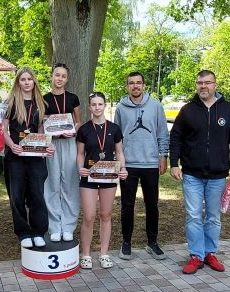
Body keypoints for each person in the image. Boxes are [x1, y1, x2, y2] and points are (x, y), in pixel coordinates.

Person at [169, 70, 230, 275]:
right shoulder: (187, 110)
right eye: (200, 83)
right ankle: (196, 256)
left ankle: (210, 253)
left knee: (213, 217)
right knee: (193, 216)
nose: (203, 86)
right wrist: (174, 163)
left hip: (217, 176)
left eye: (207, 82)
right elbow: (176, 137)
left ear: (215, 85)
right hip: (191, 175)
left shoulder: (228, 110)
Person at [113, 71, 169, 261]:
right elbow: (117, 137)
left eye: (138, 83)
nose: (135, 86)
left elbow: (163, 132)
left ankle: (152, 242)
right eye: (131, 83)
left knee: (152, 205)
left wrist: (163, 156)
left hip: (150, 163)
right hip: (128, 164)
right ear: (127, 86)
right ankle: (126, 242)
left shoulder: (156, 106)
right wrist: (119, 162)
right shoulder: (120, 108)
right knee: (127, 205)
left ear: (144, 86)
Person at [3, 67, 54, 247]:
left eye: (29, 79)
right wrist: (12, 145)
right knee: (16, 196)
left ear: (34, 81)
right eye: (23, 79)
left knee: (37, 194)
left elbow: (42, 130)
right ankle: (23, 232)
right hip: (15, 156)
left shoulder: (41, 103)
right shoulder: (9, 102)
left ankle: (38, 231)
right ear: (18, 82)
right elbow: (2, 129)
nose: (26, 82)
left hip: (35, 157)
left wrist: (47, 146)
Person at [76, 92, 126, 269]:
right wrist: (80, 168)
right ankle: (86, 254)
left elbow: (119, 152)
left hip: (109, 176)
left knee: (105, 215)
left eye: (100, 104)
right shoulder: (84, 129)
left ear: (105, 106)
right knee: (89, 216)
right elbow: (80, 153)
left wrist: (123, 168)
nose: (97, 107)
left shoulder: (114, 128)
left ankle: (104, 254)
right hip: (88, 177)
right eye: (94, 104)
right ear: (89, 107)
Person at [42, 63, 81, 242]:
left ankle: (68, 226)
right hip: (52, 144)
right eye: (57, 75)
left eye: (63, 76)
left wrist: (72, 131)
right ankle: (54, 226)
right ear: (52, 76)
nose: (60, 79)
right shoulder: (44, 99)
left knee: (70, 184)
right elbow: (42, 123)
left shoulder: (73, 98)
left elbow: (78, 122)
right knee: (51, 184)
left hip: (69, 143)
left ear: (67, 79)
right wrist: (49, 135)